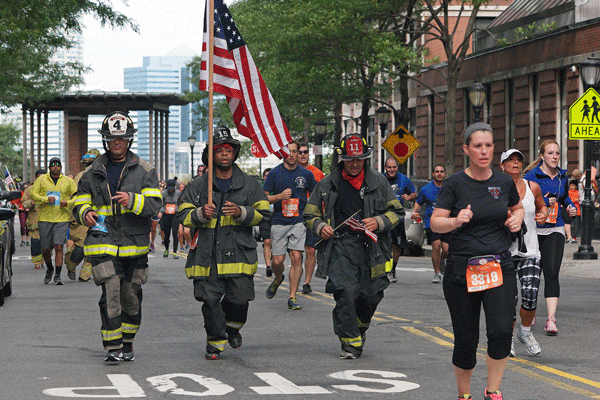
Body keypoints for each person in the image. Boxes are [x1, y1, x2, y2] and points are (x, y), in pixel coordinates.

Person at [430, 123, 524, 400]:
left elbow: (515, 206)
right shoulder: (455, 183)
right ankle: (464, 395)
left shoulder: (504, 181)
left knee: (500, 332)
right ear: (466, 150)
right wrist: (456, 220)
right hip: (462, 268)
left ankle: (493, 390)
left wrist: (516, 217)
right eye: (478, 146)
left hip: (499, 266)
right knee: (466, 340)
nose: (484, 151)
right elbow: (436, 221)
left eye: (489, 145)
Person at [72, 111, 161, 363]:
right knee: (111, 289)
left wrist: (133, 200)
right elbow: (79, 202)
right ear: (105, 141)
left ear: (129, 140)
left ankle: (128, 342)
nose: (117, 143)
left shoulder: (145, 170)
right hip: (103, 241)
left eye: (121, 139)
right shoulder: (91, 173)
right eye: (112, 139)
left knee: (130, 295)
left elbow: (155, 206)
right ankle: (113, 347)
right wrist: (85, 212)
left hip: (135, 246)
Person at [304, 134, 403, 359]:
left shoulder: (379, 182)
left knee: (371, 295)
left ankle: (359, 327)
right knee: (346, 294)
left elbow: (396, 212)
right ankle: (350, 343)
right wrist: (320, 227)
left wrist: (379, 222)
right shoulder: (327, 184)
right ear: (342, 158)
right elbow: (310, 214)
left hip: (373, 248)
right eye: (350, 159)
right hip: (340, 246)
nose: (355, 163)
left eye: (359, 159)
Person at [177, 125, 270, 360]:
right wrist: (199, 214)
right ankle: (215, 342)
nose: (224, 154)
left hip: (239, 255)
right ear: (211, 156)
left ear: (235, 154)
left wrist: (242, 212)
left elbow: (264, 213)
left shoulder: (250, 185)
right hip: (207, 256)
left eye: (228, 149)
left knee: (239, 301)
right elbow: (183, 213)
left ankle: (233, 328)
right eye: (219, 151)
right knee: (209, 300)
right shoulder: (198, 186)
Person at [523, 140, 576, 336]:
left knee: (552, 273)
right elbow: (524, 201)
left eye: (557, 153)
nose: (555, 157)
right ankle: (530, 310)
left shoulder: (562, 175)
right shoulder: (531, 176)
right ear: (542, 156)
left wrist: (570, 206)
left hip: (555, 227)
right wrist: (545, 201)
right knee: (534, 275)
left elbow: (565, 198)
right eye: (551, 153)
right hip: (534, 229)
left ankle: (551, 319)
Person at [500, 149, 548, 357]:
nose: (515, 163)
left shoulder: (532, 187)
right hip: (505, 252)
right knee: (509, 299)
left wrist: (543, 215)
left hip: (530, 250)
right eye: (510, 160)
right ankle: (508, 338)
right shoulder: (496, 188)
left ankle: (525, 332)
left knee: (530, 295)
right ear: (502, 165)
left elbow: (542, 207)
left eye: (518, 160)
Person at [263, 140, 316, 310]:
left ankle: (292, 297)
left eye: (295, 151)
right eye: (289, 151)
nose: (292, 155)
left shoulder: (306, 174)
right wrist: (279, 197)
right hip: (279, 221)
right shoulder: (275, 174)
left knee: (297, 258)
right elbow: (262, 199)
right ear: (283, 153)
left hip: (298, 222)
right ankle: (278, 279)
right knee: (277, 261)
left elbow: (315, 195)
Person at [30, 157, 77, 285]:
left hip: (62, 218)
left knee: (58, 246)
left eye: (58, 165)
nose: (55, 167)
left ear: (61, 167)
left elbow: (77, 196)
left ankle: (57, 275)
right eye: (53, 165)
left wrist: (68, 202)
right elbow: (33, 194)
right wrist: (45, 199)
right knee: (45, 249)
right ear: (49, 167)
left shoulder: (68, 180)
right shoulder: (41, 179)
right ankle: (49, 269)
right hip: (45, 219)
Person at [65, 149, 101, 282]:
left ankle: (84, 275)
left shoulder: (102, 175)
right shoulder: (82, 176)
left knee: (94, 246)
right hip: (82, 216)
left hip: (98, 216)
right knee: (81, 245)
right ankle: (71, 264)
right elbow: (75, 198)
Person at [412, 164, 447, 283]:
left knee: (447, 250)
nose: (439, 173)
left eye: (441, 171)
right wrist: (415, 212)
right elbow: (418, 204)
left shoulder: (449, 188)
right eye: (437, 171)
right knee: (436, 246)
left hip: (447, 222)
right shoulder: (426, 189)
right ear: (433, 174)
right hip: (431, 223)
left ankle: (442, 260)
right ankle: (437, 273)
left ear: (444, 174)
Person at [297, 143, 325, 294]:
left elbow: (324, 195)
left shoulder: (317, 173)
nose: (302, 154)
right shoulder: (290, 171)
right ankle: (294, 276)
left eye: (305, 152)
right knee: (295, 253)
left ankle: (307, 282)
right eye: (299, 152)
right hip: (294, 216)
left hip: (312, 216)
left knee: (310, 250)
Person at [383, 157, 416, 283]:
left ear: (397, 168)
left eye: (394, 167)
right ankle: (386, 270)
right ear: (385, 168)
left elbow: (413, 193)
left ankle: (393, 269)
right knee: (385, 244)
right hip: (384, 216)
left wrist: (408, 196)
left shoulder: (403, 179)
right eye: (389, 167)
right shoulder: (380, 179)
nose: (392, 170)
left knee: (397, 246)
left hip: (398, 217)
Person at [21, 169, 47, 269]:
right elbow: (23, 203)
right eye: (39, 176)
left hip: (49, 221)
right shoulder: (30, 190)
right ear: (35, 177)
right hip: (35, 222)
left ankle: (46, 259)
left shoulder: (52, 188)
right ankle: (37, 262)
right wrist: (30, 203)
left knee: (48, 244)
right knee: (36, 243)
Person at [160, 179, 181, 259]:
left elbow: (179, 203)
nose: (171, 190)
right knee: (167, 234)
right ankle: (166, 249)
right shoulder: (164, 193)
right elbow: (161, 203)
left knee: (175, 233)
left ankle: (175, 252)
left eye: (172, 188)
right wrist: (160, 212)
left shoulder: (178, 193)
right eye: (170, 188)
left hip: (175, 214)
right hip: (166, 214)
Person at [260, 168, 273, 277]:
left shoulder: (277, 186)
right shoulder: (260, 188)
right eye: (265, 175)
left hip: (277, 215)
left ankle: (273, 259)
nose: (267, 177)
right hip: (265, 216)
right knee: (267, 241)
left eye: (269, 175)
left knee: (275, 242)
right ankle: (268, 266)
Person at [177, 181, 191, 252]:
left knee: (186, 232)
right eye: (180, 188)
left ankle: (189, 243)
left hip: (186, 215)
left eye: (183, 187)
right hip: (180, 215)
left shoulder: (189, 195)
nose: (181, 189)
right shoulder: (178, 196)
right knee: (180, 232)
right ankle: (181, 246)